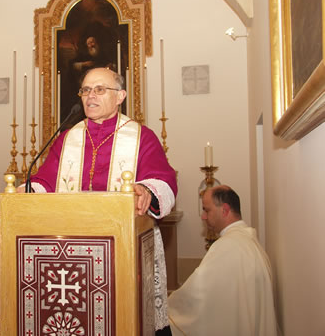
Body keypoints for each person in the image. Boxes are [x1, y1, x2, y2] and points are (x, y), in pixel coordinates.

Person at [18, 67, 177, 335]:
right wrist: (26, 193)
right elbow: (45, 180)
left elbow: (162, 178)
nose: (90, 96)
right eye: (86, 90)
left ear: (120, 96)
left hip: (123, 250)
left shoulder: (141, 136)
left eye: (100, 89)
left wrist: (147, 190)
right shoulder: (69, 137)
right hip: (70, 251)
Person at [168, 185, 279, 336]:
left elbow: (197, 293)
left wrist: (168, 307)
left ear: (225, 210)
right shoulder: (249, 240)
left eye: (207, 210)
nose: (203, 216)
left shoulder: (228, 246)